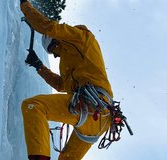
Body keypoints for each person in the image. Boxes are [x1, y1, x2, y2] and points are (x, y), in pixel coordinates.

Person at [20, 0, 114, 159]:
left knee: (34, 106)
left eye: (52, 49)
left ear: (56, 39)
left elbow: (48, 27)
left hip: (93, 106)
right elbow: (61, 85)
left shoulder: (80, 37)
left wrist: (25, 6)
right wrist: (39, 66)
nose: (56, 55)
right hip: (100, 119)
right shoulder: (72, 64)